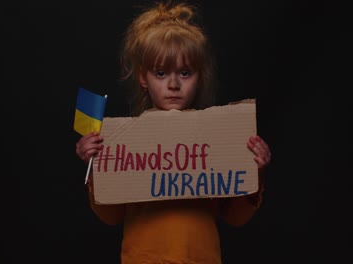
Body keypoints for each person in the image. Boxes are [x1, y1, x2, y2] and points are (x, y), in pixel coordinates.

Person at [75, 1, 272, 263]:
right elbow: (111, 217)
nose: (173, 84)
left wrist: (255, 173)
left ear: (199, 76)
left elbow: (235, 217)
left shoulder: (215, 138)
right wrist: (96, 167)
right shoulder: (128, 142)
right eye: (160, 72)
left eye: (185, 73)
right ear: (143, 78)